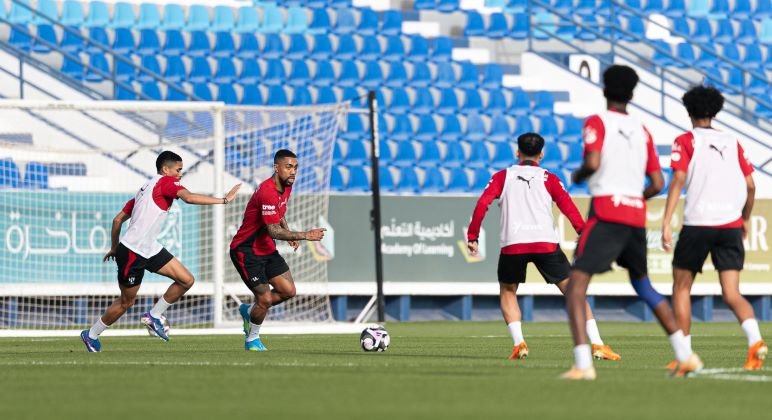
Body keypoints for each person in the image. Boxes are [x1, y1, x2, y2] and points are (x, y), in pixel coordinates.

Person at [561, 65, 702, 380]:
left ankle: (583, 365)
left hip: (607, 212)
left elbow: (593, 162)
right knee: (643, 285)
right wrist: (634, 196)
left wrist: (579, 174)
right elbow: (656, 181)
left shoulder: (597, 122)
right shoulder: (643, 130)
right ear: (633, 94)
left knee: (576, 285)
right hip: (635, 215)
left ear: (603, 90)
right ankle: (685, 354)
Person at [467, 132, 621, 361]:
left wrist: (473, 235)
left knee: (508, 292)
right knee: (573, 292)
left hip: (513, 243)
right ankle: (597, 344)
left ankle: (519, 343)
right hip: (545, 243)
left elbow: (483, 203)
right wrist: (583, 231)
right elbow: (568, 206)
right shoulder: (549, 178)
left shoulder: (502, 177)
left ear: (517, 152)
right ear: (542, 154)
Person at [80, 151, 241, 352]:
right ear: (166, 170)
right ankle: (91, 334)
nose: (180, 174)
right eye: (178, 170)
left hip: (148, 248)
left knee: (186, 280)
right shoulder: (166, 182)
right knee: (126, 302)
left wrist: (114, 247)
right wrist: (224, 200)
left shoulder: (143, 189)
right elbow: (189, 198)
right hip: (132, 252)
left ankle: (154, 315)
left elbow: (117, 220)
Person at [661, 85, 766, 370]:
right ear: (716, 111)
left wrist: (666, 221)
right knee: (732, 293)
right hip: (730, 225)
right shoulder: (733, 142)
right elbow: (750, 185)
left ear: (688, 110)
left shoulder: (685, 140)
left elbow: (678, 179)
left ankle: (685, 356)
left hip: (699, 223)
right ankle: (755, 341)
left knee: (681, 288)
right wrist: (744, 217)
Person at [231, 149, 326, 351]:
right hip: (246, 251)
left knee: (288, 291)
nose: (293, 172)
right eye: (288, 167)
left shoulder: (287, 185)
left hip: (266, 249)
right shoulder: (267, 191)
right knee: (264, 299)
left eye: (295, 167)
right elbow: (273, 230)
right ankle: (252, 340)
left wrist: (288, 230)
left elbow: (279, 213)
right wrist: (304, 235)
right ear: (276, 168)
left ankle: (250, 311)